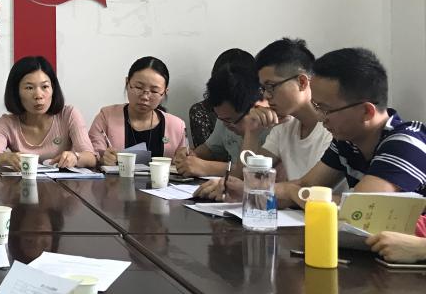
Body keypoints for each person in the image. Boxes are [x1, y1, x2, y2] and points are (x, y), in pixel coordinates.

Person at [198, 48, 426, 207]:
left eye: (326, 109)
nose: (322, 118)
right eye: (317, 106)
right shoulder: (346, 143)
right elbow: (306, 184)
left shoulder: (406, 143)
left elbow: (360, 208)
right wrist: (248, 191)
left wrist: (290, 192)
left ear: (366, 112)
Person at [244, 38, 333, 181]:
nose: (266, 95)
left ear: (302, 82)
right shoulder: (284, 126)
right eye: (263, 88)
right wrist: (252, 131)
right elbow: (253, 178)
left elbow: (311, 188)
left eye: (271, 86)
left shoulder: (332, 128)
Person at [0, 56, 96, 171]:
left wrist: (75, 157)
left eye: (45, 86)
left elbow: (91, 157)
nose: (38, 95)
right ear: (16, 92)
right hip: (22, 182)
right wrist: (6, 157)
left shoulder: (69, 115)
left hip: (63, 182)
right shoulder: (6, 123)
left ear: (53, 88)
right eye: (29, 88)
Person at [173, 58, 265, 179]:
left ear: (253, 106)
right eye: (221, 118)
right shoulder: (223, 117)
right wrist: (189, 155)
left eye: (230, 120)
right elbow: (209, 149)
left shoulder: (272, 125)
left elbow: (253, 172)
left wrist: (208, 167)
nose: (226, 125)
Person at [89, 57, 187, 165]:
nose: (145, 97)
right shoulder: (106, 117)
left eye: (154, 91)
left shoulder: (176, 126)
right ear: (127, 83)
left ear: (164, 93)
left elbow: (182, 162)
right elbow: (91, 156)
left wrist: (182, 160)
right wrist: (102, 160)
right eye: (139, 87)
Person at [188, 49, 253, 148]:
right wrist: (188, 153)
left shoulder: (265, 118)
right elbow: (208, 149)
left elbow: (248, 158)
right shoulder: (221, 114)